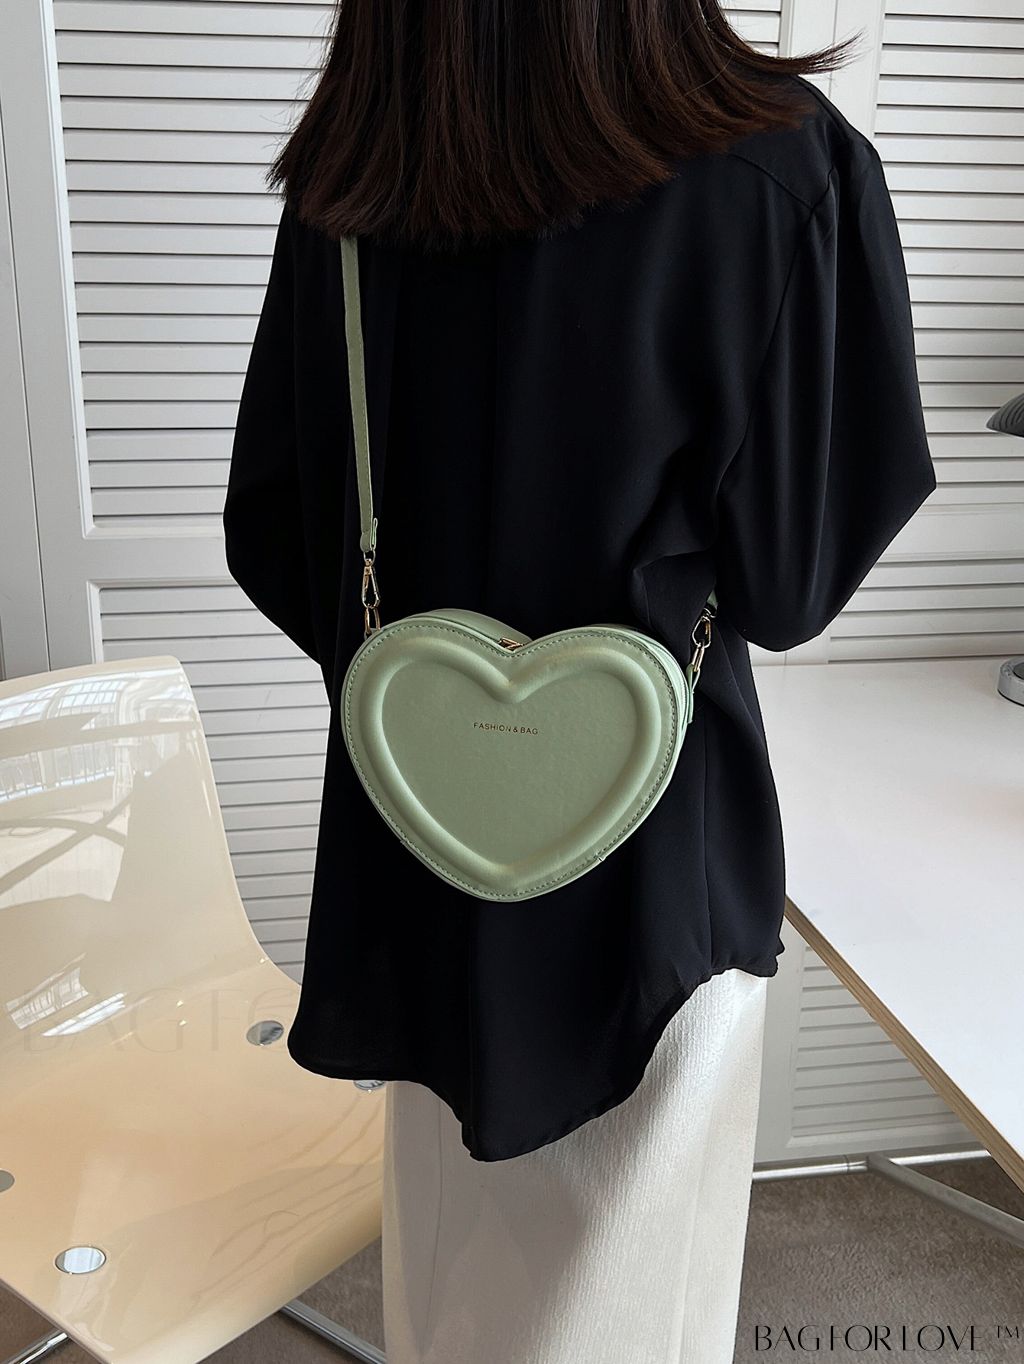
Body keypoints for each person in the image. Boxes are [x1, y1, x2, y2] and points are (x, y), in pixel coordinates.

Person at [222, 2, 937, 1359]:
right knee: (631, 1294)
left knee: (455, 1277)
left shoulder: (357, 173)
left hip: (418, 837)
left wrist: (443, 692)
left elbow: (275, 529)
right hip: (650, 844)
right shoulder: (784, 166)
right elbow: (792, 585)